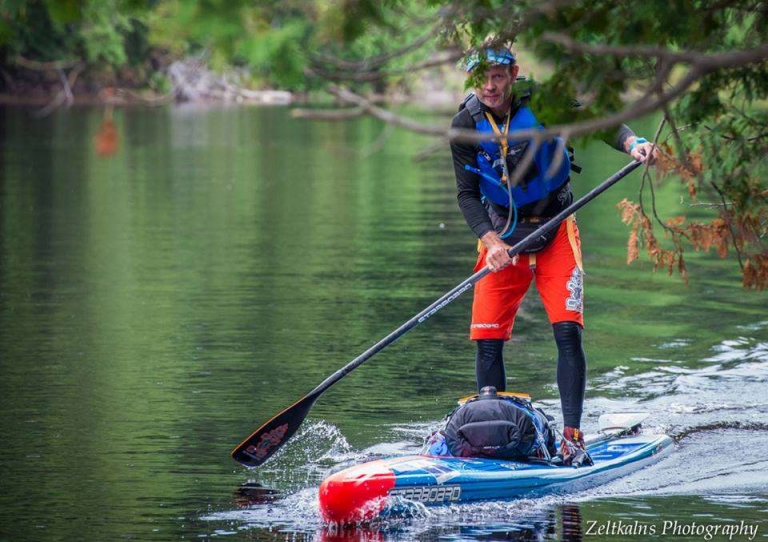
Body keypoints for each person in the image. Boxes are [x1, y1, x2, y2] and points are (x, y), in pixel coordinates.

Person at [449, 47, 655, 464]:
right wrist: (491, 241)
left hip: (555, 227)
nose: (490, 86)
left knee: (567, 333)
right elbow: (467, 195)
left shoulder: (545, 102)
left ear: (514, 74)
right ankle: (488, 440)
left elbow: (600, 123)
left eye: (498, 77)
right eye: (481, 79)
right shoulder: (464, 124)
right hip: (502, 236)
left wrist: (633, 142)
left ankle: (572, 437)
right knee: (487, 341)